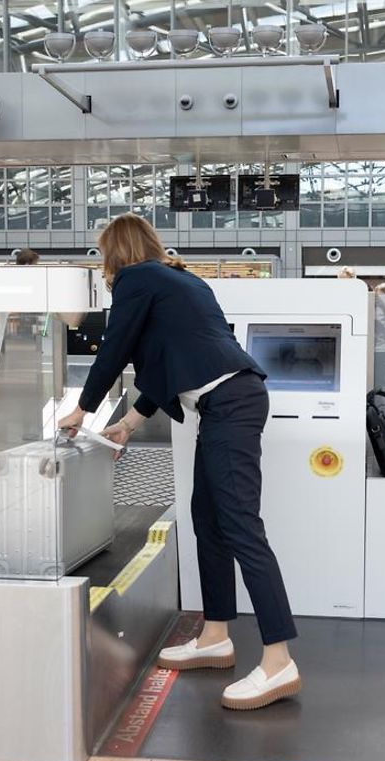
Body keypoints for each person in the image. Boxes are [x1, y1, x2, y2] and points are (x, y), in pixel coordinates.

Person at [57, 213, 301, 711]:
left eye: (103, 257)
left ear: (115, 252)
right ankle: (215, 636)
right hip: (228, 401)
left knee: (240, 529)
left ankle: (279, 661)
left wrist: (82, 406)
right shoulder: (176, 280)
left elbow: (114, 351)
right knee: (207, 522)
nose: (104, 269)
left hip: (229, 404)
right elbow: (171, 362)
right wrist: (128, 422)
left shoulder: (136, 278)